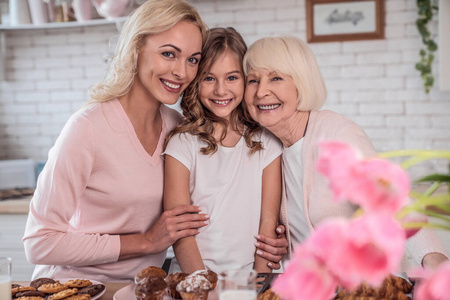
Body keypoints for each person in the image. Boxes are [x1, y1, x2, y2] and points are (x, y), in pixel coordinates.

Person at [22, 0, 211, 282]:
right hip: (76, 287)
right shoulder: (87, 128)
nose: (182, 73)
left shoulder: (178, 128)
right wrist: (146, 241)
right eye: (169, 54)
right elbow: (39, 242)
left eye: (192, 59)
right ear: (136, 49)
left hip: (140, 288)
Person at [243, 36, 448, 271]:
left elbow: (392, 201)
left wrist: (434, 259)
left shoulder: (336, 135)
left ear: (301, 83)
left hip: (367, 286)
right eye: (253, 80)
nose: (261, 92)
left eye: (276, 78)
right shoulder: (267, 145)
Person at [163, 27, 283, 274]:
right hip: (194, 279)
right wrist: (203, 286)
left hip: (250, 279)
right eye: (209, 78)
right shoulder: (182, 143)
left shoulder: (267, 142)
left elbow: (267, 223)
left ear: (246, 79)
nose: (220, 90)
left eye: (232, 78)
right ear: (196, 81)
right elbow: (181, 233)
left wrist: (258, 286)